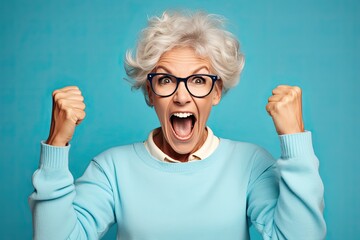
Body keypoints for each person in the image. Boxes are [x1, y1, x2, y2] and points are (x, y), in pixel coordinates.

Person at [29, 10, 326, 240]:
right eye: (166, 80)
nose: (182, 96)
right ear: (149, 93)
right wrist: (56, 145)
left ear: (216, 92)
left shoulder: (250, 164)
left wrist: (295, 141)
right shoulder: (112, 169)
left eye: (198, 80)